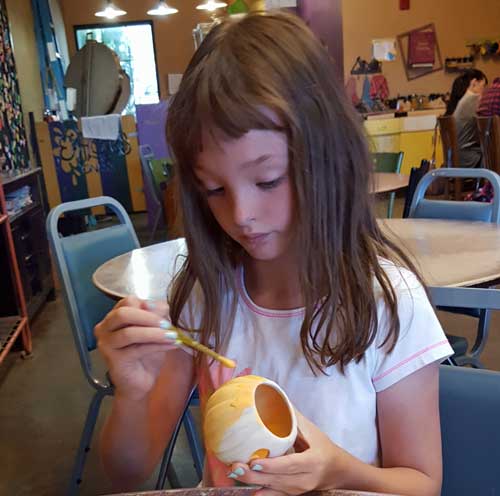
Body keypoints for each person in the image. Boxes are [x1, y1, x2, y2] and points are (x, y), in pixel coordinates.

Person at [95, 11, 452, 496]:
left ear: (324, 157)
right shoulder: (206, 296)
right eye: (214, 188)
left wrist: (335, 469)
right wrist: (132, 396)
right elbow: (124, 475)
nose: (242, 214)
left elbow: (421, 484)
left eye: (268, 180)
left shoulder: (390, 303)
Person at [451, 69, 488, 168]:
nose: (484, 91)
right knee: (493, 156)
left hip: (458, 157)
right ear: (474, 82)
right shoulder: (473, 99)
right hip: (469, 158)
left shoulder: (463, 101)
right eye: (483, 86)